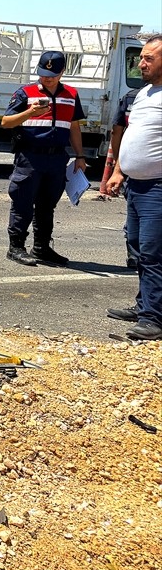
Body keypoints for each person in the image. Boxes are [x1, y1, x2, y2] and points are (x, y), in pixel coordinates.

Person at [0, 49, 87, 266]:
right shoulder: (25, 93)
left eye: (52, 75)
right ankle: (16, 247)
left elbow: (74, 127)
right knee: (23, 201)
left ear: (63, 72)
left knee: (48, 205)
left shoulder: (71, 94)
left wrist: (80, 156)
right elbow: (5, 122)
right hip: (30, 157)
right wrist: (30, 112)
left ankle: (41, 248)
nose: (46, 78)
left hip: (57, 159)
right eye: (42, 74)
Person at [106, 34, 162, 341]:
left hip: (158, 188)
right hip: (136, 186)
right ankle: (145, 306)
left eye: (148, 59)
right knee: (138, 250)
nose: (141, 64)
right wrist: (118, 170)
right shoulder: (144, 94)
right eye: (140, 58)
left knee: (154, 253)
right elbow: (130, 135)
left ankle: (154, 319)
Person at [99, 88, 139, 269]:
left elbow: (116, 132)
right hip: (139, 168)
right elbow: (116, 131)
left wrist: (118, 167)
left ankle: (135, 256)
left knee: (135, 214)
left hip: (133, 166)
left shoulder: (132, 96)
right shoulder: (132, 98)